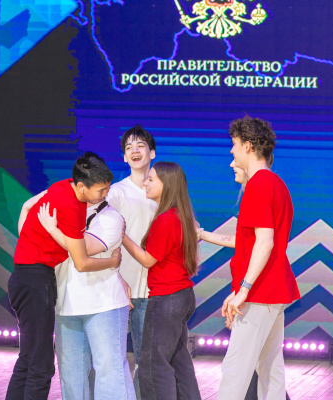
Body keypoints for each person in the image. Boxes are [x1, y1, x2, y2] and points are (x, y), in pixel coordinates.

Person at [7, 151, 122, 399]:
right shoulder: (72, 207)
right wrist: (112, 262)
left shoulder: (62, 187)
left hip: (25, 277)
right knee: (41, 366)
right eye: (101, 190)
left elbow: (30, 213)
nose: (105, 194)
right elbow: (81, 262)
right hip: (36, 281)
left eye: (107, 188)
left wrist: (39, 224)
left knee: (28, 358)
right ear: (81, 186)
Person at [216, 116, 300, 400]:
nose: (231, 150)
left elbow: (264, 243)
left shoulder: (259, 184)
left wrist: (244, 290)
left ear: (248, 146)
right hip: (273, 290)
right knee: (270, 370)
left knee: (236, 370)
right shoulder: (276, 183)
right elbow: (256, 244)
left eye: (234, 144)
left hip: (260, 293)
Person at [36, 197, 135, 400]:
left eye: (104, 187)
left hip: (105, 304)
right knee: (71, 375)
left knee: (109, 370)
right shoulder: (60, 211)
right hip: (66, 305)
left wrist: (53, 229)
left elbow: (83, 251)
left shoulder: (110, 217)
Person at [121, 161, 201, 400]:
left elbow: (148, 260)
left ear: (167, 185)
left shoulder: (166, 219)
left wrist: (122, 236)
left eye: (151, 179)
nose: (145, 183)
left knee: (152, 364)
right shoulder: (180, 216)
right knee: (179, 361)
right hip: (181, 296)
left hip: (167, 298)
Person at [106, 125, 158, 398]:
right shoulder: (116, 193)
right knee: (109, 358)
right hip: (117, 288)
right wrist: (115, 276)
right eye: (129, 148)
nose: (135, 151)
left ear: (152, 152)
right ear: (124, 157)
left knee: (146, 359)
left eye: (140, 146)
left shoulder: (162, 190)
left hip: (151, 289)